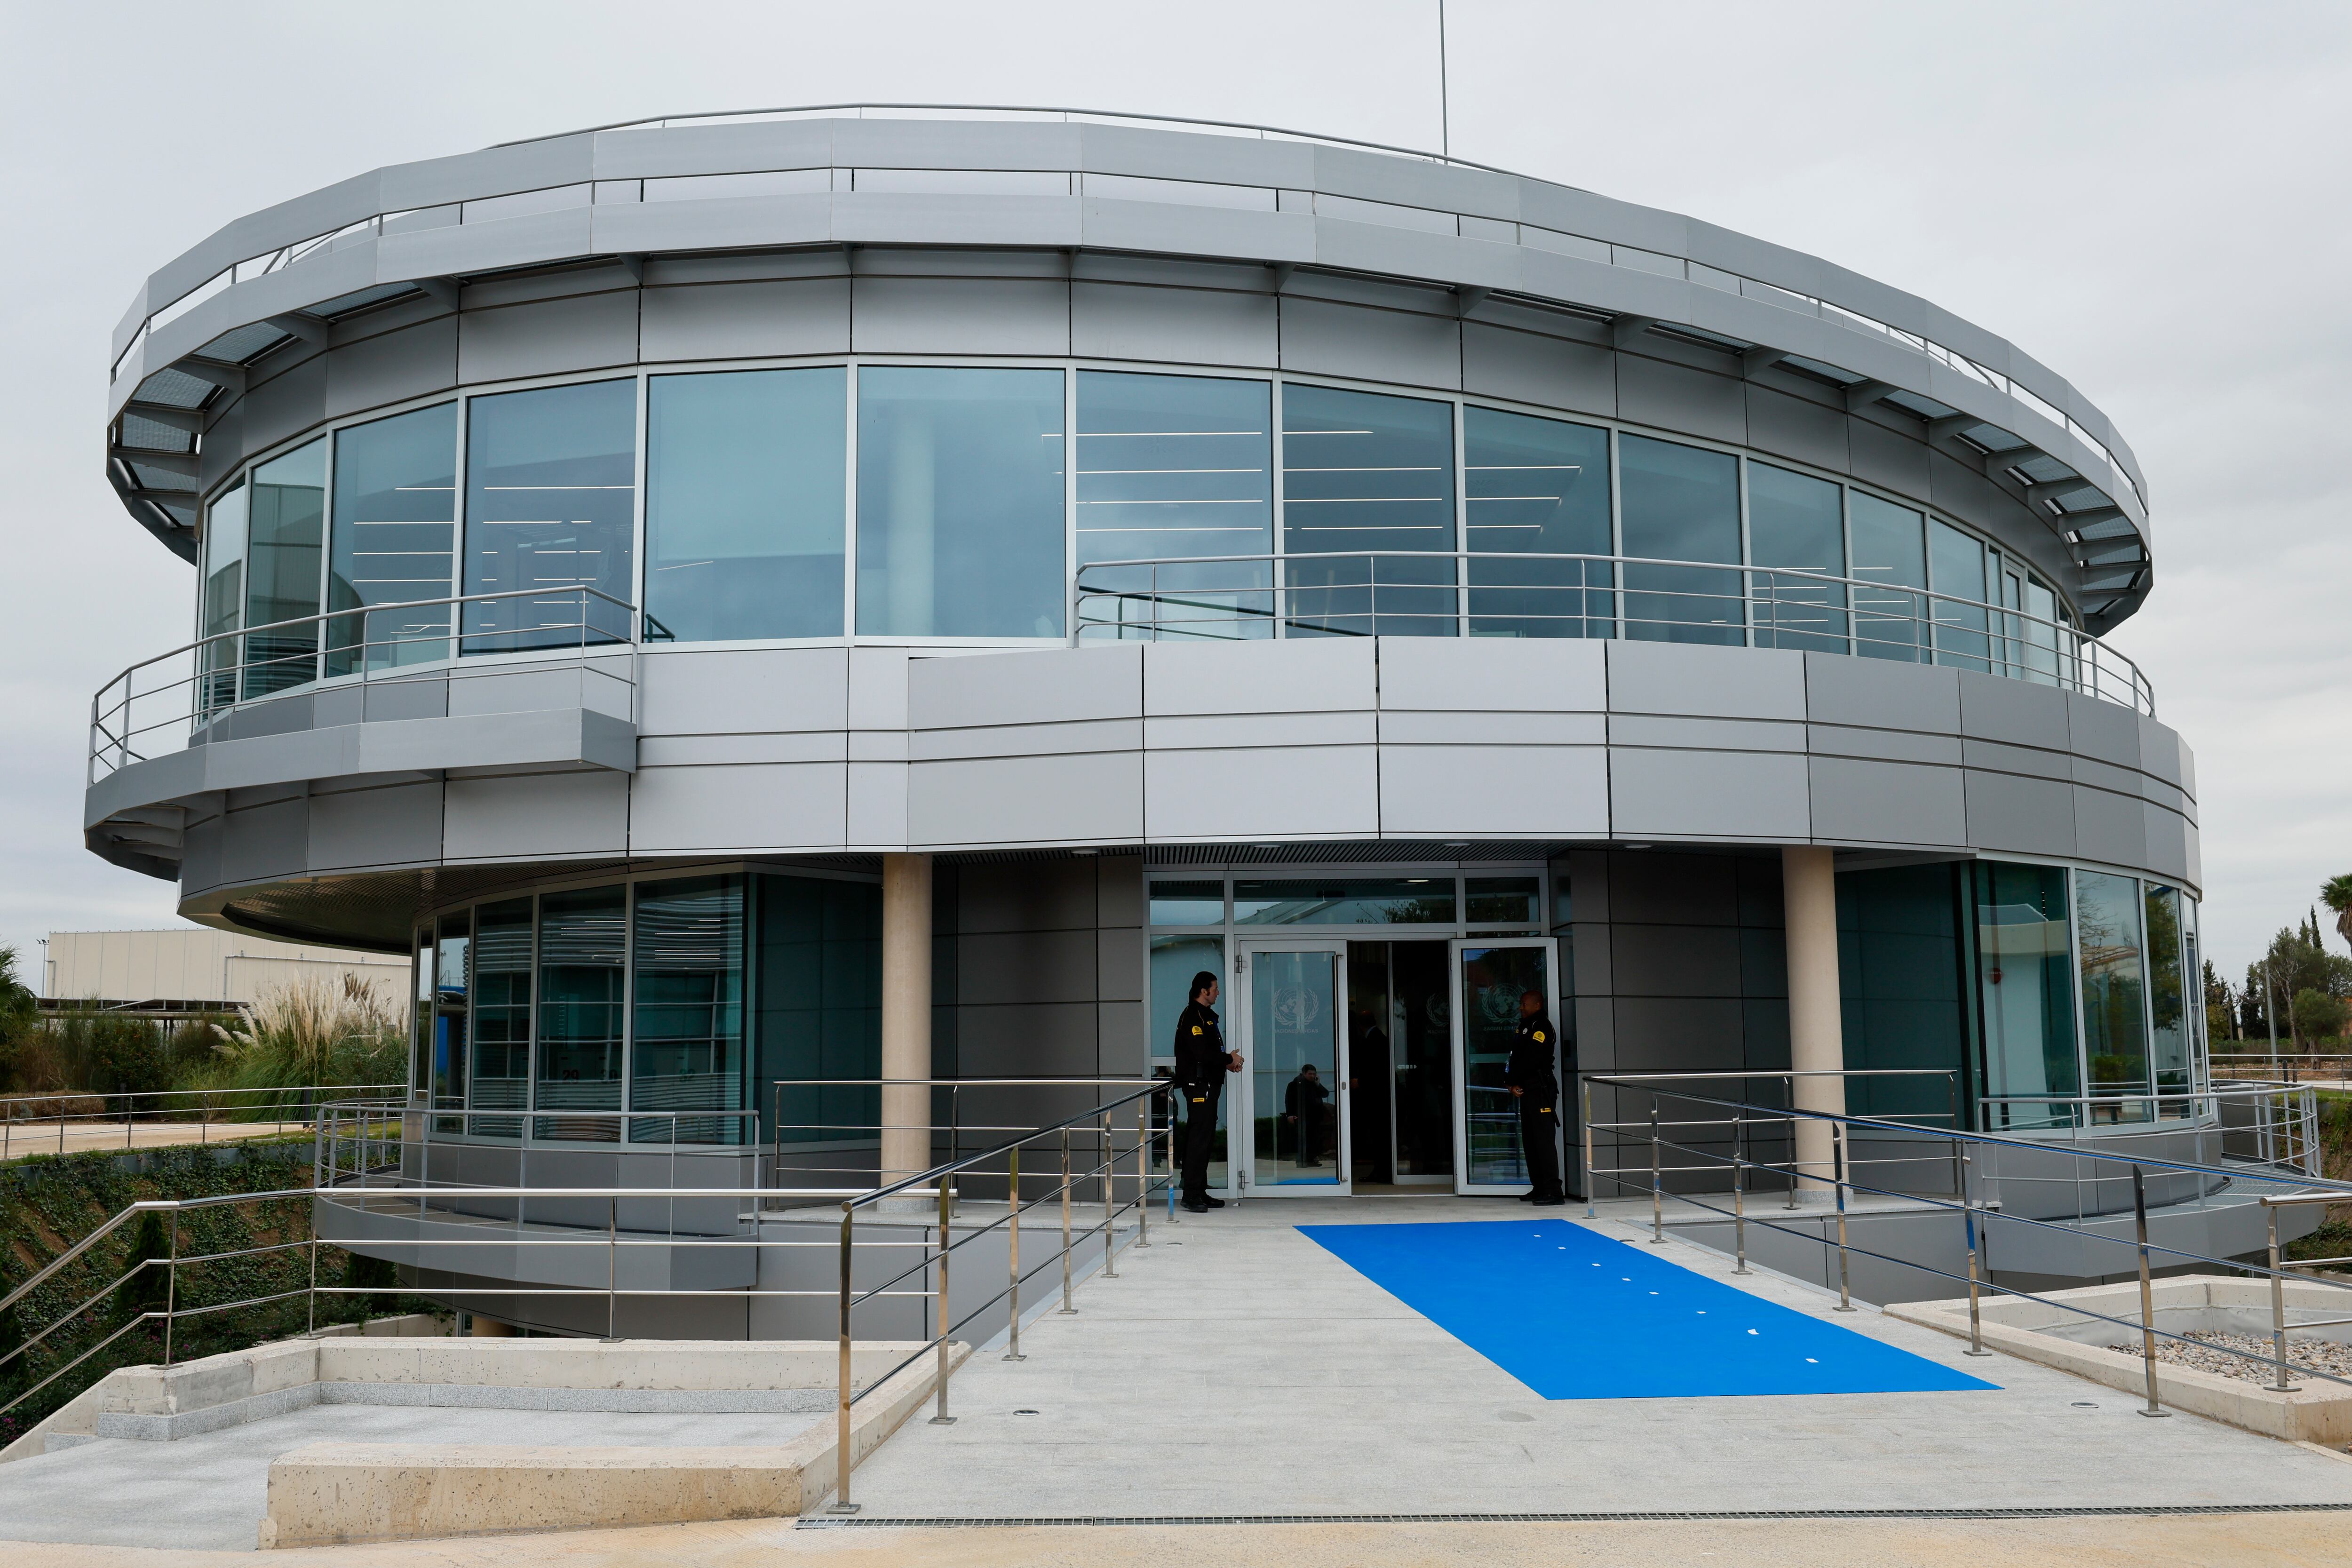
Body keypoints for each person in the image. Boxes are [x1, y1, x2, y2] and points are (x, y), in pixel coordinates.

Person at [1174, 971, 1240, 1212]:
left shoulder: (1205, 1016)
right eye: (1215, 988)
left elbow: (1208, 1054)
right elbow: (1200, 1053)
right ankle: (1191, 1194)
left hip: (1209, 1085)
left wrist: (1227, 1062)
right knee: (1199, 1138)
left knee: (1205, 1137)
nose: (1218, 992)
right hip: (1199, 1086)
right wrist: (1228, 1058)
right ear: (1204, 991)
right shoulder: (1193, 1016)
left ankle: (1199, 1191)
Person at [1505, 988, 1566, 1205]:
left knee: (1544, 1141)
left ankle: (1553, 1192)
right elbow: (1515, 1058)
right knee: (1530, 1141)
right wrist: (1510, 1083)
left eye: (1524, 1004)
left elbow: (1532, 1060)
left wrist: (1515, 1080)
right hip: (1527, 1089)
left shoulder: (1541, 1027)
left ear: (1537, 1005)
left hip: (1540, 1089)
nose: (1521, 1007)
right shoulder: (1524, 1026)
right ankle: (1539, 1187)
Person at [1285, 1062, 1333, 1167]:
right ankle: (1301, 1161)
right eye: (1310, 1074)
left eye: (1314, 1074)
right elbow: (1289, 1100)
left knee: (1315, 1140)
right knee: (1303, 1139)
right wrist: (1290, 1114)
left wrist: (1318, 1084)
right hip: (1302, 1116)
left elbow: (1325, 1094)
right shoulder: (1295, 1084)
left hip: (1315, 1118)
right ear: (1304, 1073)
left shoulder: (1314, 1085)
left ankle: (1311, 1160)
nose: (1312, 1076)